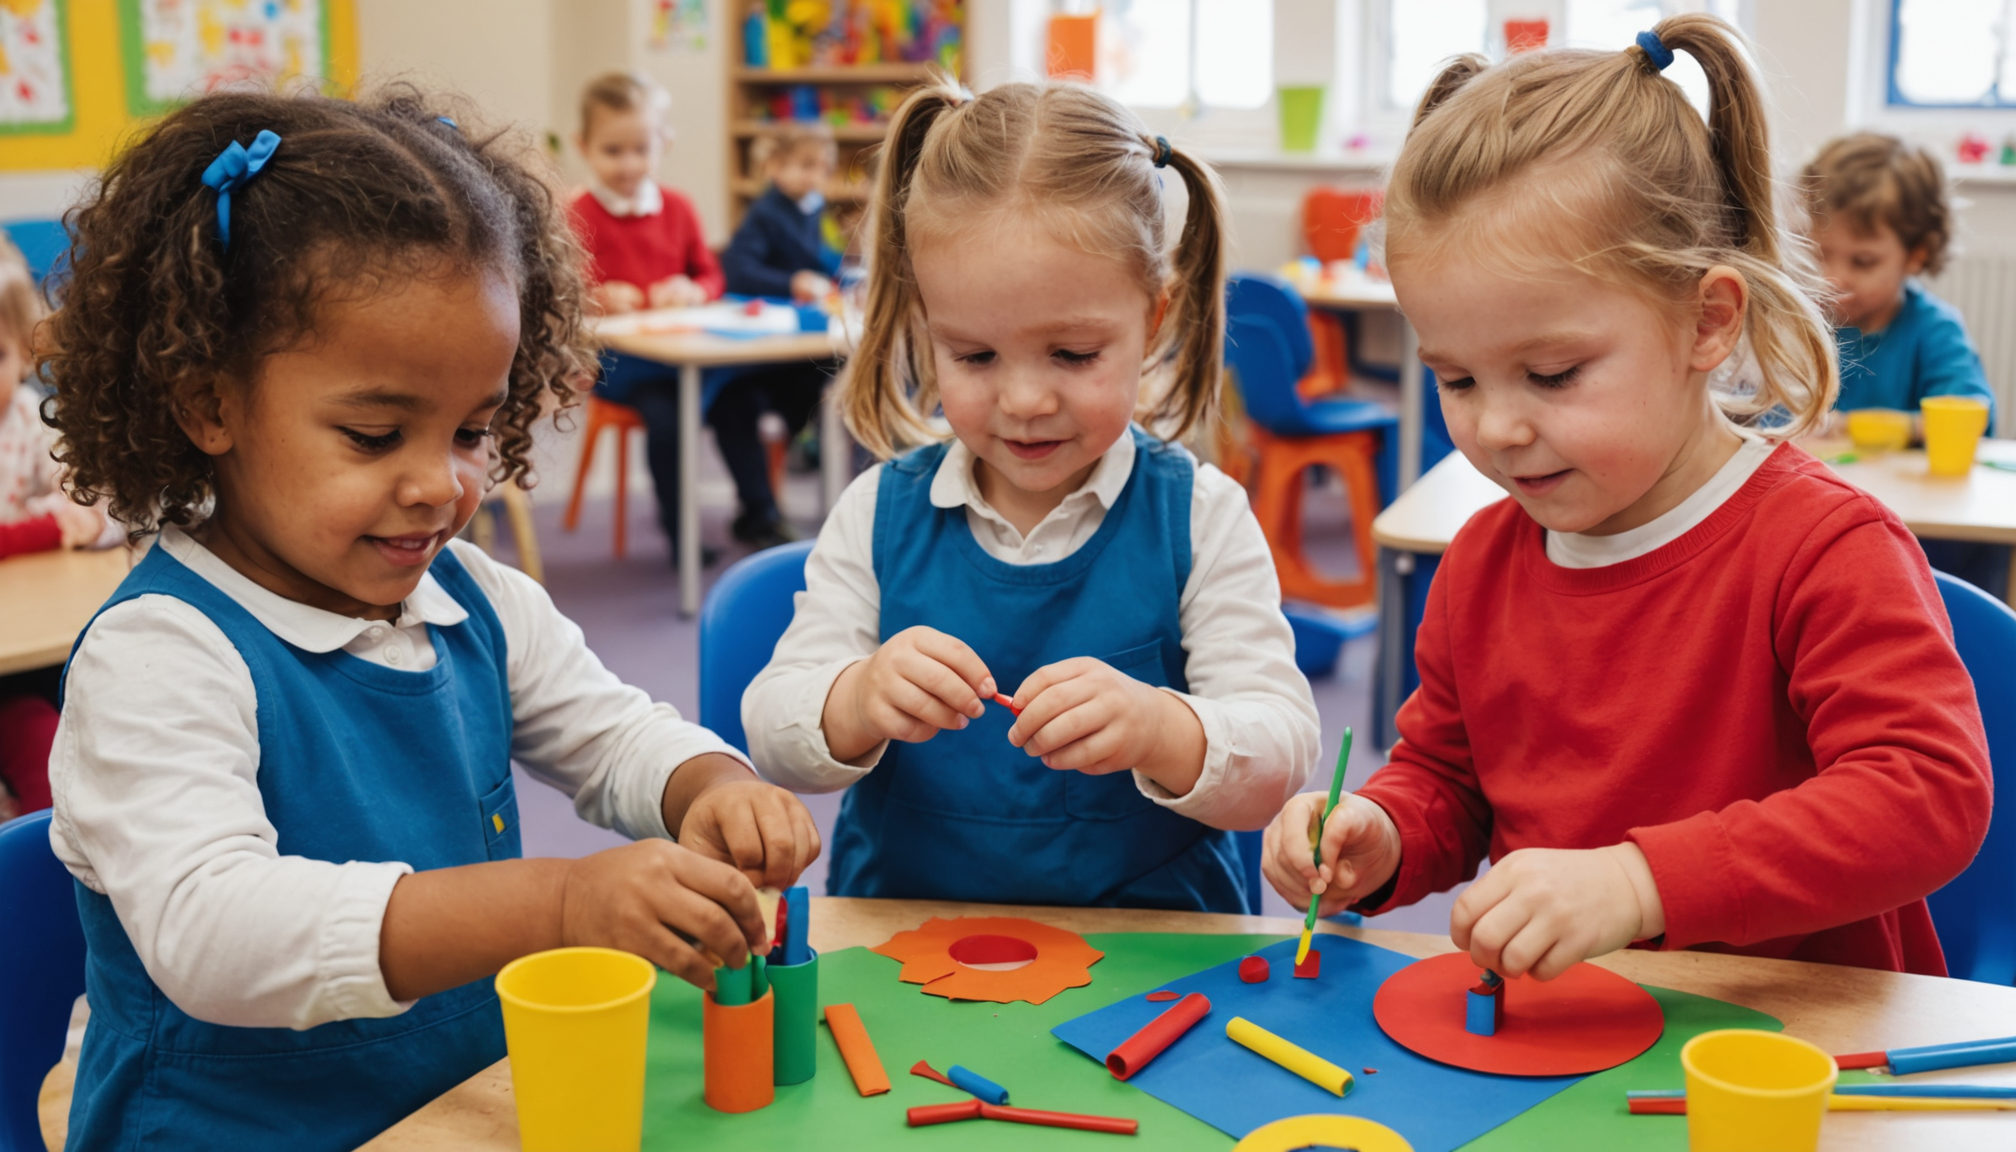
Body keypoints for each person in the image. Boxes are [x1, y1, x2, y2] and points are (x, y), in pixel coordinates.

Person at [43, 88, 820, 1152]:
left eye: (470, 430)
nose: (439, 485)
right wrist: (555, 906)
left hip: (452, 1109)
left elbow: (613, 733)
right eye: (373, 435)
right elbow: (213, 934)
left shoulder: (475, 597)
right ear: (208, 405)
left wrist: (709, 785)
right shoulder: (160, 653)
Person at [1263, 18, 1989, 979]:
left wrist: (1643, 883)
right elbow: (1449, 779)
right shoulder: (1480, 563)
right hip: (1566, 1034)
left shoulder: (1824, 546)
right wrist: (1384, 830)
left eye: (1554, 374)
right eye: (1459, 381)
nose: (1498, 429)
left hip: (1794, 1048)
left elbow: (1926, 795)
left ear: (1707, 320)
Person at [743, 79, 1320, 912]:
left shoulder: (1200, 516)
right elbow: (773, 734)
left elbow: (1278, 754)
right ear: (924, 325)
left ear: (1152, 322)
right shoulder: (877, 514)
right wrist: (857, 698)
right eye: (974, 357)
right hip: (907, 941)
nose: (1023, 401)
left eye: (1074, 354)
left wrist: (1161, 729)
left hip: (1154, 957)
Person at [1804, 132, 2006, 593]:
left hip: (1929, 544)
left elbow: (1973, 416)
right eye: (1820, 253)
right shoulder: (1807, 323)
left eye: (1863, 260)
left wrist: (1865, 425)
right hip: (1831, 522)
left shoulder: (1933, 328)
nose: (1833, 278)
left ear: (1916, 255)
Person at [569, 71, 721, 561]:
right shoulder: (576, 215)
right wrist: (596, 296)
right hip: (619, 363)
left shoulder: (678, 207)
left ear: (664, 144)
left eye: (641, 149)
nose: (629, 164)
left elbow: (712, 276)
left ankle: (760, 516)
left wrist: (692, 289)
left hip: (683, 354)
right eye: (613, 151)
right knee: (670, 415)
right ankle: (682, 539)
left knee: (738, 396)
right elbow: (555, 293)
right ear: (584, 146)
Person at [0, 235, 114, 820]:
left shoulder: (27, 418)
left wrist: (73, 519)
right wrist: (42, 529)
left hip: (30, 650)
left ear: (22, 353)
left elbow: (87, 506)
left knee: (51, 735)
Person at [714, 122, 843, 549]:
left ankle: (807, 445)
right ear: (774, 167)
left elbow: (818, 256)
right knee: (740, 406)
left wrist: (843, 269)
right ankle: (764, 507)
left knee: (837, 366)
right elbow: (739, 269)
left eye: (822, 167)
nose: (814, 176)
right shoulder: (766, 213)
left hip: (795, 345)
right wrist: (793, 282)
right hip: (759, 348)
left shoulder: (811, 206)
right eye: (804, 165)